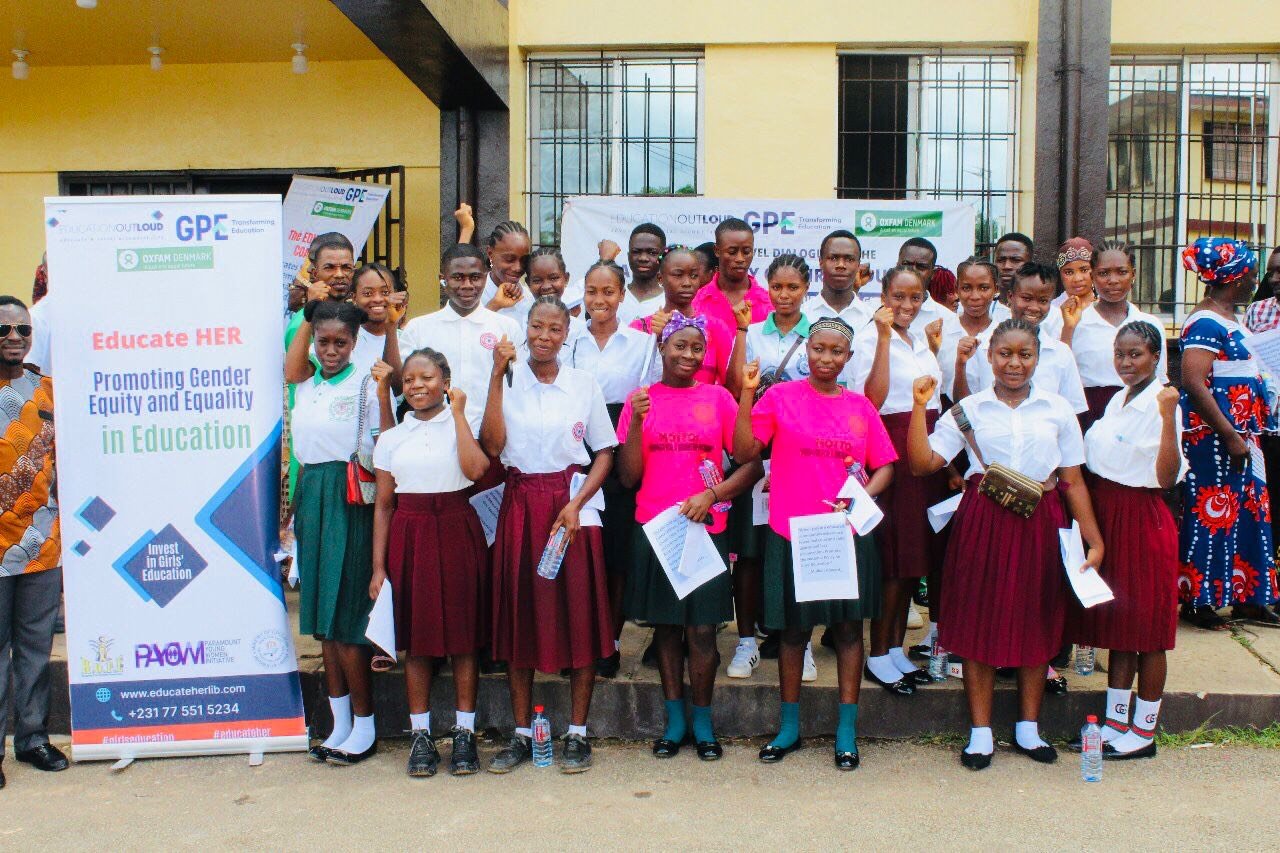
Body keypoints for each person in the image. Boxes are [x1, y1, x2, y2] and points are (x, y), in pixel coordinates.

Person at [906, 319, 1104, 770]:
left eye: (1025, 355)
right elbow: (921, 464)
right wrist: (920, 409)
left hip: (1042, 518)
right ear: (989, 357)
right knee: (979, 617)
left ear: (1037, 358)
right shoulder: (967, 410)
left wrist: (1093, 540)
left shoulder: (1057, 410)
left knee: (1038, 614)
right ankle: (980, 733)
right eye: (1004, 355)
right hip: (983, 521)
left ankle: (1028, 729)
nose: (1014, 364)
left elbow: (1072, 481)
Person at [735, 318, 896, 770]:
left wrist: (860, 498)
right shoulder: (780, 397)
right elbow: (746, 451)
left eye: (836, 352)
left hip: (843, 533)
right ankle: (789, 727)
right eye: (819, 349)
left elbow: (884, 465)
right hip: (792, 532)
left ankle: (846, 732)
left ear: (848, 357)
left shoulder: (860, 406)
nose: (826, 359)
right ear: (807, 352)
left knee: (847, 630)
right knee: (792, 632)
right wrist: (748, 393)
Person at [481, 297, 617, 774]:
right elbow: (493, 447)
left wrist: (577, 503)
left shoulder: (583, 383)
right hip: (520, 502)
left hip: (570, 507)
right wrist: (497, 375)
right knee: (520, 617)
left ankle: (577, 733)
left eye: (554, 329)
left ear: (566, 333)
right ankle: (522, 733)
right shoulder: (505, 379)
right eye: (535, 326)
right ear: (524, 329)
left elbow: (604, 450)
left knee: (577, 614)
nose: (543, 336)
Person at [617, 313, 761, 759]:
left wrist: (712, 493)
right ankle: (674, 720)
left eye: (697, 348)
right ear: (661, 348)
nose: (688, 354)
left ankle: (703, 722)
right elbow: (628, 477)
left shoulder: (718, 398)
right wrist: (638, 424)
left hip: (705, 527)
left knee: (701, 631)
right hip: (657, 528)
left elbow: (749, 461)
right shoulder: (639, 400)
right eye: (679, 345)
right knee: (666, 629)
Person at [369, 348, 491, 777]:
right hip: (410, 532)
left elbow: (476, 470)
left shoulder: (463, 423)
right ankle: (420, 735)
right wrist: (379, 567)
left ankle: (464, 733)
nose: (417, 386)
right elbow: (384, 505)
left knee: (463, 639)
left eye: (427, 378)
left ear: (445, 380)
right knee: (416, 641)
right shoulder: (390, 438)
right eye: (409, 381)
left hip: (457, 526)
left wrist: (458, 415)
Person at [1068, 322, 1186, 760]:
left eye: (1135, 354)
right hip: (1108, 517)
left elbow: (1167, 477)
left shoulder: (1162, 402)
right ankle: (1116, 722)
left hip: (1143, 517)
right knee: (1121, 628)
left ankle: (1145, 730)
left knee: (1150, 633)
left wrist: (1169, 417)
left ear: (1157, 357)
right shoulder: (1118, 399)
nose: (1126, 363)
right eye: (1120, 354)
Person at [285, 300, 388, 766]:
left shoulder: (367, 382)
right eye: (323, 341)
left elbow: (384, 440)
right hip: (312, 493)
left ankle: (365, 726)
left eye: (340, 342)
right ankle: (339, 722)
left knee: (348, 619)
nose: (330, 350)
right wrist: (308, 318)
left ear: (354, 343)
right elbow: (291, 367)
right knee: (324, 623)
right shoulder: (306, 383)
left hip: (349, 499)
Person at [853, 266, 946, 695]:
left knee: (913, 557)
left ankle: (895, 648)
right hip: (891, 446)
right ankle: (877, 653)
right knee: (892, 557)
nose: (907, 306)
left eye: (915, 298)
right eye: (898, 297)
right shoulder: (869, 337)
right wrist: (885, 338)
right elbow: (870, 399)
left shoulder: (923, 340)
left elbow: (936, 400)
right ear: (883, 295)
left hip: (924, 447)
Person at [1178, 238, 1279, 628]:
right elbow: (1193, 381)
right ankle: (1199, 600)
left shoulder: (1231, 318)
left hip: (1244, 434)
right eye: (1253, 273)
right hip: (1215, 439)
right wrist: (1230, 435)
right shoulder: (1205, 321)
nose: (1257, 280)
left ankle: (1248, 597)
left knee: (1249, 511)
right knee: (1211, 515)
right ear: (1234, 278)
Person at [733, 254, 819, 682]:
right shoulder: (755, 331)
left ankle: (798, 643)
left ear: (806, 289)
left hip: (803, 456)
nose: (784, 295)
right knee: (750, 550)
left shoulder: (817, 334)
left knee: (794, 549)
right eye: (777, 287)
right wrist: (743, 332)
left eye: (793, 287)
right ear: (766, 287)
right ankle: (746, 641)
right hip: (758, 453)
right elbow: (736, 385)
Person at [567, 261, 652, 677]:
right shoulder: (569, 341)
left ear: (622, 295)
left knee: (615, 552)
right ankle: (578, 641)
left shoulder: (641, 344)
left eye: (608, 292)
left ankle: (611, 642)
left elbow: (647, 403)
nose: (599, 300)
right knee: (581, 549)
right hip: (577, 443)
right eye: (591, 291)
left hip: (621, 445)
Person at [0, 296, 66, 788]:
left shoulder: (46, 390)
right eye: (5, 330)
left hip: (40, 543)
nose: (15, 338)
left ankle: (32, 738)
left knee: (34, 648)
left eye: (22, 330)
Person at [400, 244, 523, 442]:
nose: (467, 285)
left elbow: (518, 389)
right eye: (458, 277)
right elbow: (404, 388)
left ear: (485, 277)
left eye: (475, 277)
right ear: (443, 279)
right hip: (432, 440)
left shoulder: (507, 328)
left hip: (492, 441)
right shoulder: (418, 329)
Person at [954, 262, 1089, 416]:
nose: (1034, 307)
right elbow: (964, 405)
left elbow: (1073, 411)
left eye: (1043, 301)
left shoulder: (1061, 352)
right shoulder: (982, 344)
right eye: (1026, 298)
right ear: (1010, 296)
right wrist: (960, 365)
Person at [1059, 241, 1167, 428]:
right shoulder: (1075, 322)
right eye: (1104, 273)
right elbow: (1061, 373)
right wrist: (1068, 330)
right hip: (1089, 416)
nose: (1113, 280)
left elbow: (1160, 382)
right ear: (1092, 276)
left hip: (1139, 416)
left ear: (1133, 274)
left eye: (1121, 272)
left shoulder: (1150, 324)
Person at [631, 246, 742, 390]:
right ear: (660, 278)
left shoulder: (715, 327)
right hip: (653, 410)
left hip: (702, 411)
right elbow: (632, 383)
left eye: (694, 276)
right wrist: (657, 337)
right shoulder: (640, 328)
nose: (687, 283)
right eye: (678, 275)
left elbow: (733, 387)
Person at [691, 218, 771, 331]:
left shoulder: (768, 303)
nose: (740, 259)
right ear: (717, 250)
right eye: (732, 252)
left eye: (746, 252)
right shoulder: (696, 301)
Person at [938, 258, 1000, 403]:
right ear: (956, 289)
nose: (975, 296)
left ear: (996, 289)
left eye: (984, 288)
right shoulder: (941, 332)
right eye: (966, 288)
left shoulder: (1004, 334)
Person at [803, 229, 874, 332]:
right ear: (821, 262)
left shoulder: (871, 319)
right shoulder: (802, 315)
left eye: (849, 259)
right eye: (833, 258)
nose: (841, 265)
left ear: (858, 265)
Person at [895, 237, 961, 342]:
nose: (912, 271)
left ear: (932, 274)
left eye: (921, 267)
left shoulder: (948, 321)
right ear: (897, 266)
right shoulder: (874, 311)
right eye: (907, 264)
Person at [607, 223, 668, 326]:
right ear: (628, 256)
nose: (643, 258)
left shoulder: (670, 300)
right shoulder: (612, 296)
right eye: (636, 252)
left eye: (652, 253)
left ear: (663, 257)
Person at [480, 220, 533, 307]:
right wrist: (493, 306)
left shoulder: (529, 299)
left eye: (524, 260)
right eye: (509, 259)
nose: (518, 268)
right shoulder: (473, 296)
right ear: (490, 254)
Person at [991, 232, 1034, 315]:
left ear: (1031, 264)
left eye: (1016, 260)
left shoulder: (1049, 314)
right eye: (1000, 260)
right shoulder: (981, 308)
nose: (1007, 266)